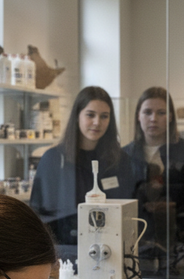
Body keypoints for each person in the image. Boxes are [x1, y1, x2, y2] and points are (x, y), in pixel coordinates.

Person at [30, 86, 133, 256]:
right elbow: (39, 217)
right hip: (66, 253)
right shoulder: (54, 159)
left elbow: (127, 212)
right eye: (90, 114)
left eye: (104, 116)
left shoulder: (121, 161)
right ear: (77, 116)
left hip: (111, 252)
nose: (97, 122)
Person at [122, 87, 184, 275]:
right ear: (138, 116)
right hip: (137, 246)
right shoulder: (124, 156)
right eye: (148, 112)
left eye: (161, 112)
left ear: (170, 117)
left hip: (181, 245)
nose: (153, 118)